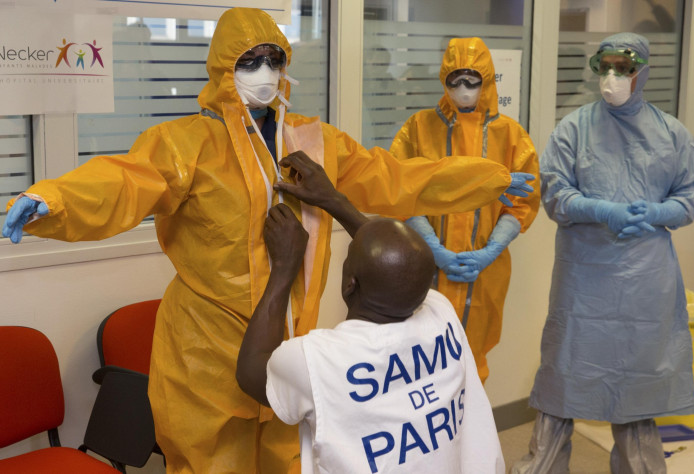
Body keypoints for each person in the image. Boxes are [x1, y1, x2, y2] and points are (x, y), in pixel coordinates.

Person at [1, 8, 532, 473]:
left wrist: (489, 177)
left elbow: (398, 178)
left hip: (287, 339)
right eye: (248, 62)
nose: (264, 73)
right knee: (210, 465)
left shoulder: (312, 143)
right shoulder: (185, 144)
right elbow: (124, 181)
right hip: (204, 353)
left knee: (289, 458)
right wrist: (55, 200)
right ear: (222, 69)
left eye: (273, 59)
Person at [236, 152, 504, 473]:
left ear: (350, 284)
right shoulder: (440, 311)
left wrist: (283, 268)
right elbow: (401, 261)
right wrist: (334, 199)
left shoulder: (317, 360)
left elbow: (251, 373)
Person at [512, 33, 694, 473]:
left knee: (636, 386)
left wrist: (657, 211)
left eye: (624, 68)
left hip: (645, 280)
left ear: (643, 71)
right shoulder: (573, 129)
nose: (613, 77)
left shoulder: (671, 133)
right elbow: (556, 194)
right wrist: (601, 209)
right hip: (584, 280)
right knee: (564, 376)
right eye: (606, 67)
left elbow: (690, 195)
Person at [391, 37, 540, 383]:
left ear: (487, 81)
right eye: (455, 80)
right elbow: (400, 190)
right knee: (418, 355)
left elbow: (523, 202)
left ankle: (468, 431)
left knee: (471, 359)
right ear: (444, 80)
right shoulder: (418, 128)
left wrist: (489, 252)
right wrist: (435, 249)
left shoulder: (511, 134)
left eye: (472, 80)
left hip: (484, 272)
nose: (463, 89)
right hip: (424, 263)